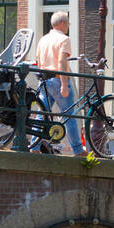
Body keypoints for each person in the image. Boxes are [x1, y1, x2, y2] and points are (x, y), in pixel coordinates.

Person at [30, 11, 85, 156]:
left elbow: (39, 61)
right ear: (61, 24)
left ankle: (34, 147)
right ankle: (78, 150)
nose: (68, 26)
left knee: (41, 115)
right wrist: (64, 83)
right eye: (67, 23)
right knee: (69, 116)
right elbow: (61, 61)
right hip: (57, 79)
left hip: (44, 80)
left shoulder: (43, 40)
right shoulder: (64, 39)